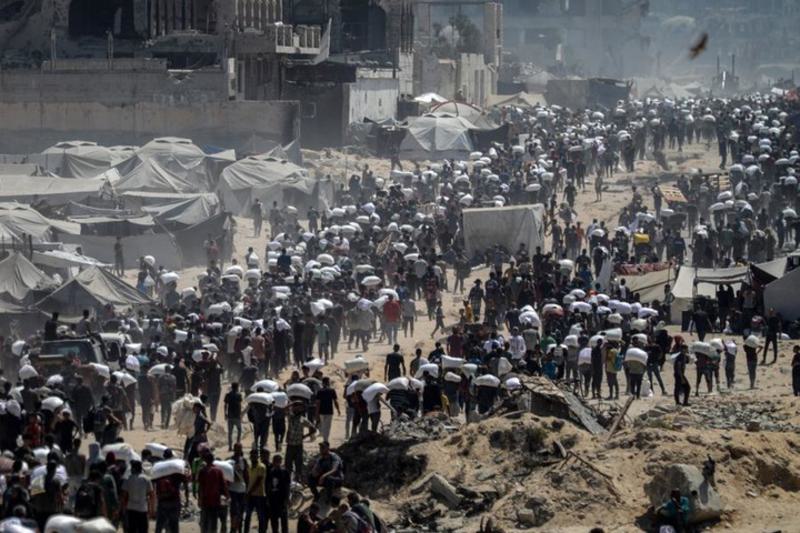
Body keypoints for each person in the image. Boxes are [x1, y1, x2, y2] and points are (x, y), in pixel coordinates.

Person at [198, 452, 229, 533]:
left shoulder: (202, 471)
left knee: (204, 523)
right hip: (215, 501)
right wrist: (227, 496)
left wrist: (199, 499)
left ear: (205, 460)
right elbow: (224, 485)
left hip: (205, 501)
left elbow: (200, 487)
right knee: (213, 524)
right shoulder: (218, 471)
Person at [121, 460, 154, 533]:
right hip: (143, 509)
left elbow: (123, 496)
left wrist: (123, 509)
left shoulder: (128, 479)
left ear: (134, 468)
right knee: (143, 530)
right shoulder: (146, 479)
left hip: (131, 509)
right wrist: (152, 509)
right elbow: (152, 495)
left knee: (132, 530)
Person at [243, 449, 268, 533]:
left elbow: (258, 481)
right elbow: (248, 480)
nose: (253, 457)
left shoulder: (261, 466)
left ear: (257, 456)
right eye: (252, 455)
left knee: (260, 516)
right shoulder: (249, 467)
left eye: (254, 455)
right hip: (250, 495)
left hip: (259, 495)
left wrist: (249, 492)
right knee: (247, 516)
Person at [266, 454, 291, 533]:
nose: (276, 463)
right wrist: (267, 498)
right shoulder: (270, 472)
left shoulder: (285, 472)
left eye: (278, 461)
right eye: (275, 461)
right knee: (274, 521)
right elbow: (268, 485)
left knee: (284, 521)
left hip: (282, 499)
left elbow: (287, 486)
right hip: (273, 499)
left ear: (280, 461)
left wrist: (287, 498)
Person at [315, 377, 340, 443]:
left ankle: (325, 439)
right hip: (329, 411)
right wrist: (338, 409)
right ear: (328, 382)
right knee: (328, 426)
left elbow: (318, 403)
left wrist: (317, 412)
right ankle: (326, 439)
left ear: (322, 383)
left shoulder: (320, 391)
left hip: (321, 411)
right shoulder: (332, 390)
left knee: (323, 425)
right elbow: (335, 401)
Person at [224, 382, 243, 450]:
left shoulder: (228, 395)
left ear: (232, 387)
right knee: (239, 430)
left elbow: (225, 405)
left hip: (230, 415)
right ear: (237, 387)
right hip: (237, 415)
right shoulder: (239, 395)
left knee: (230, 432)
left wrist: (225, 414)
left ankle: (230, 447)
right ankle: (238, 444)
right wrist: (240, 414)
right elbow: (239, 405)